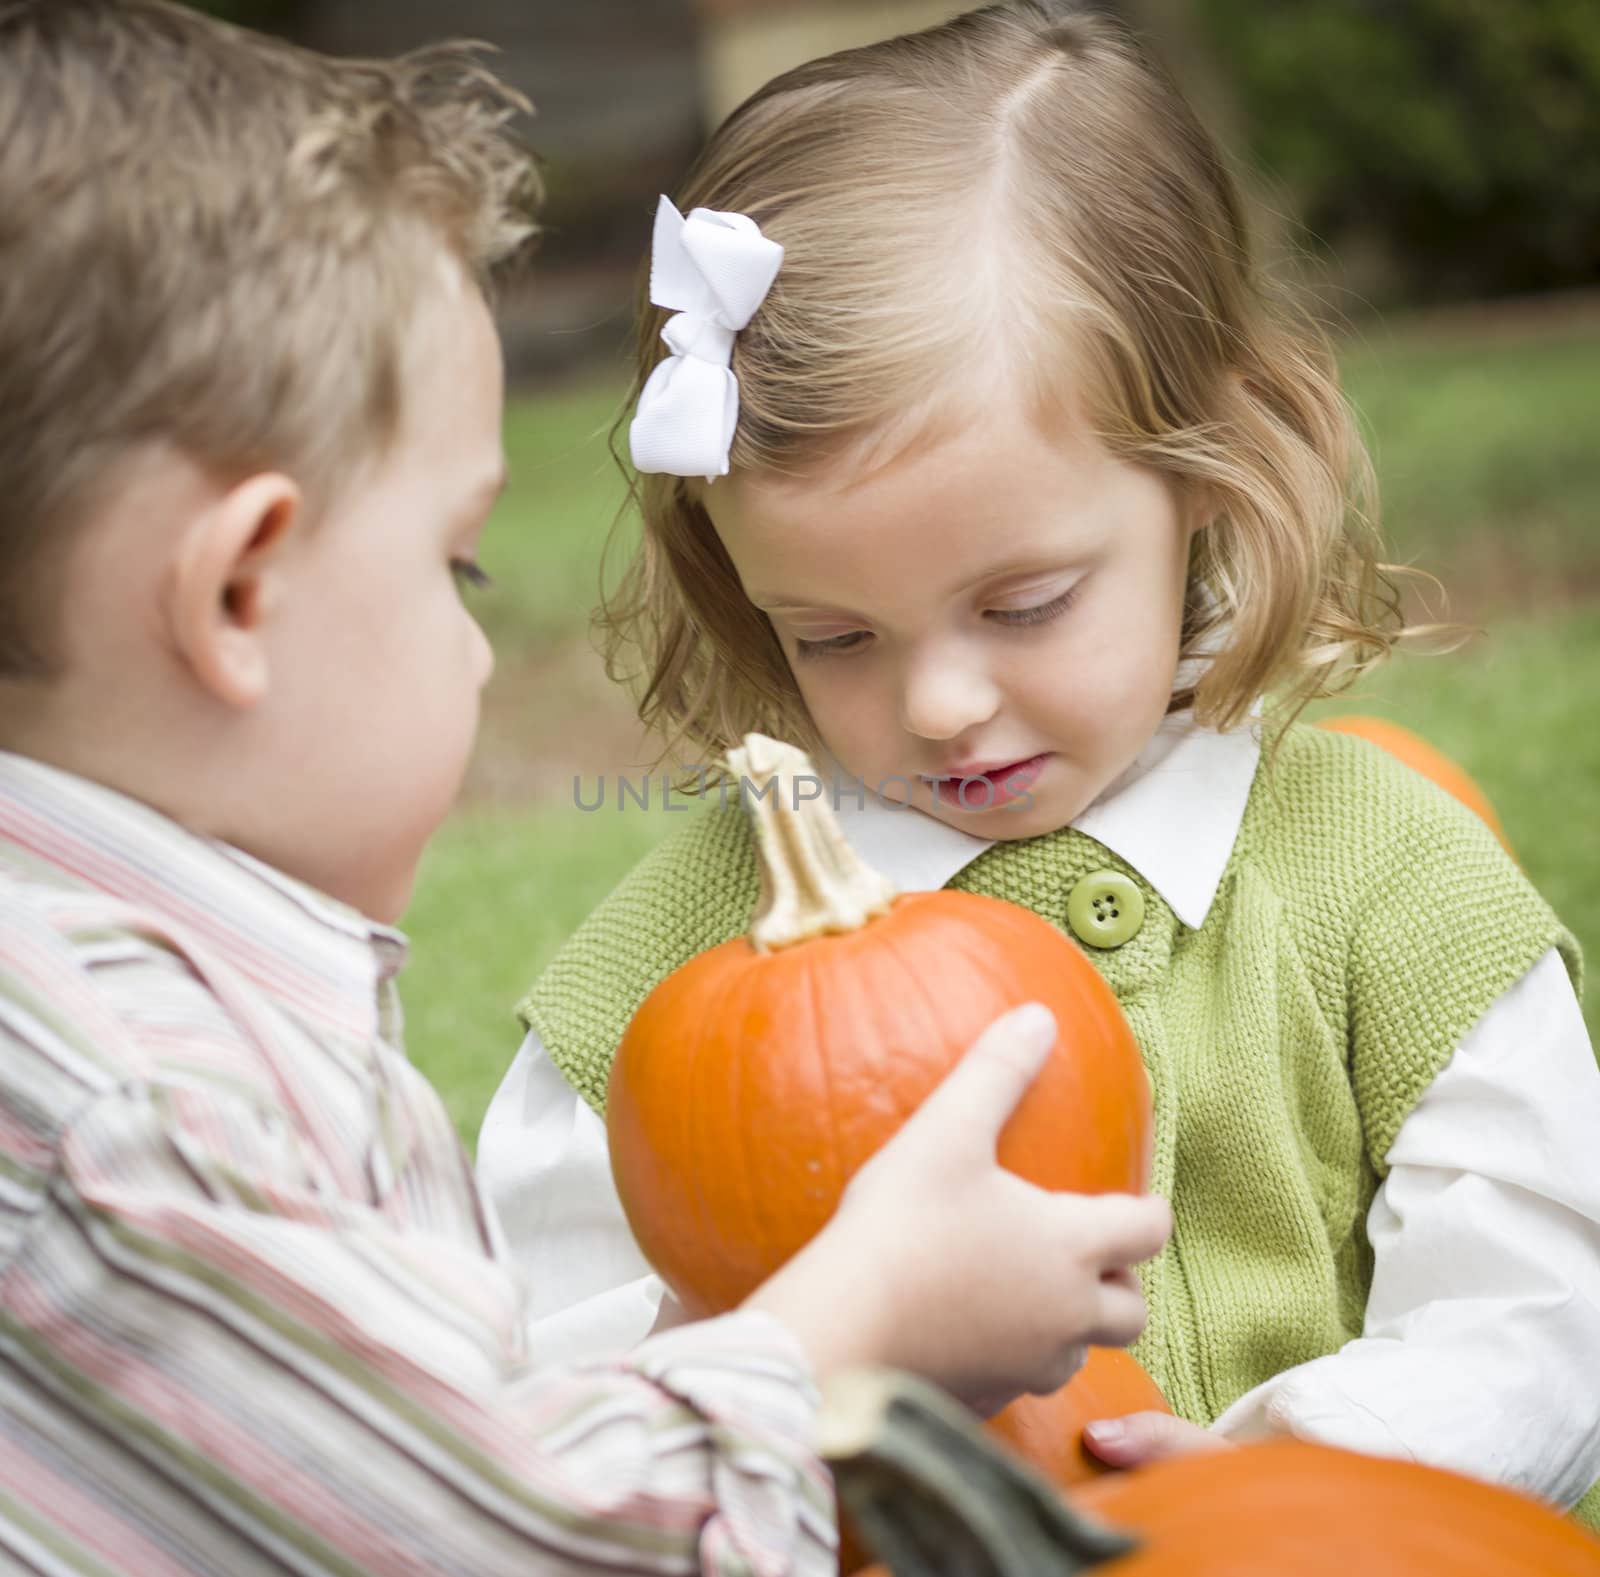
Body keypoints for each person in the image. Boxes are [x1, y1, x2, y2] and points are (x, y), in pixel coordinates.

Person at [0, 2, 1174, 1572]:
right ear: (236, 598)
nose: (482, 650)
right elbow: (531, 1537)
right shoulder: (125, 1117)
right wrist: (849, 1328)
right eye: (455, 561)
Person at [478, 0, 1600, 1527]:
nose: (939, 703)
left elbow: (1542, 1299)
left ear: (1211, 469)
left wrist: (1306, 1467)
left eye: (1022, 605)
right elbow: (558, 1382)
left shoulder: (1389, 878)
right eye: (833, 636)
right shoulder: (672, 978)